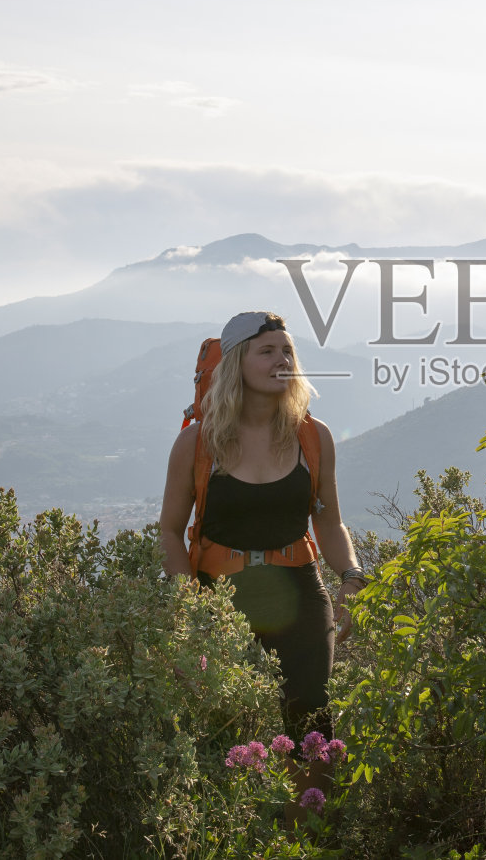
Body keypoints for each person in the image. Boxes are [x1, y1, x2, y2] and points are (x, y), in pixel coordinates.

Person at [158, 311, 366, 797]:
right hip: (219, 599)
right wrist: (187, 603)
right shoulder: (197, 442)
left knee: (310, 718)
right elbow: (170, 531)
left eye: (288, 351)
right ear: (236, 364)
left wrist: (352, 577)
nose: (282, 360)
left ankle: (309, 836)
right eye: (267, 351)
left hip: (300, 594)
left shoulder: (313, 436)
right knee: (223, 723)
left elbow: (329, 521)